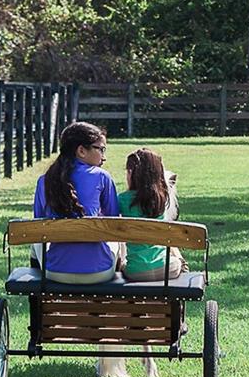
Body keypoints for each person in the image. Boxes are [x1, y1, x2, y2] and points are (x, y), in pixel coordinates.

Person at [32, 121, 123, 283]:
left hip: (55, 271)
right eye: (101, 149)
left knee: (35, 246)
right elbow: (114, 221)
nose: (104, 156)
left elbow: (39, 223)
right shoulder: (102, 177)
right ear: (81, 150)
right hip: (99, 272)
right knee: (117, 243)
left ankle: (39, 302)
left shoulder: (44, 181)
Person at [118, 147, 187, 282]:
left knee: (124, 264)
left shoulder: (121, 200)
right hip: (167, 270)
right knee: (179, 261)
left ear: (130, 173)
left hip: (134, 273)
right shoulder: (162, 199)